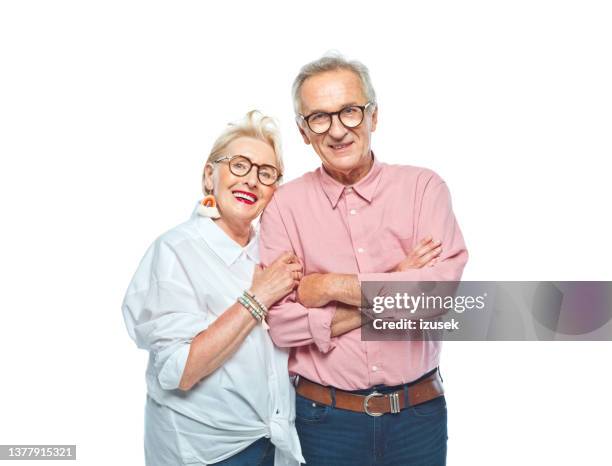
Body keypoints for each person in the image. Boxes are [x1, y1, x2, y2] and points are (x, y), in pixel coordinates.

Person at [259, 54, 468, 465]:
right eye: (319, 117)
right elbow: (281, 326)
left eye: (350, 112)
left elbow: (435, 299)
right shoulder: (284, 207)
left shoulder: (424, 188)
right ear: (303, 132)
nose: (337, 130)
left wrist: (325, 286)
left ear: (373, 116)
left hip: (417, 416)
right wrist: (395, 279)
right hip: (324, 421)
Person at [122, 111, 305, 466]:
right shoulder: (175, 251)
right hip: (207, 451)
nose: (251, 180)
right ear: (210, 176)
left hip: (274, 441)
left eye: (265, 173)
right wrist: (258, 298)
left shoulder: (271, 251)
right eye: (239, 165)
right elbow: (180, 370)